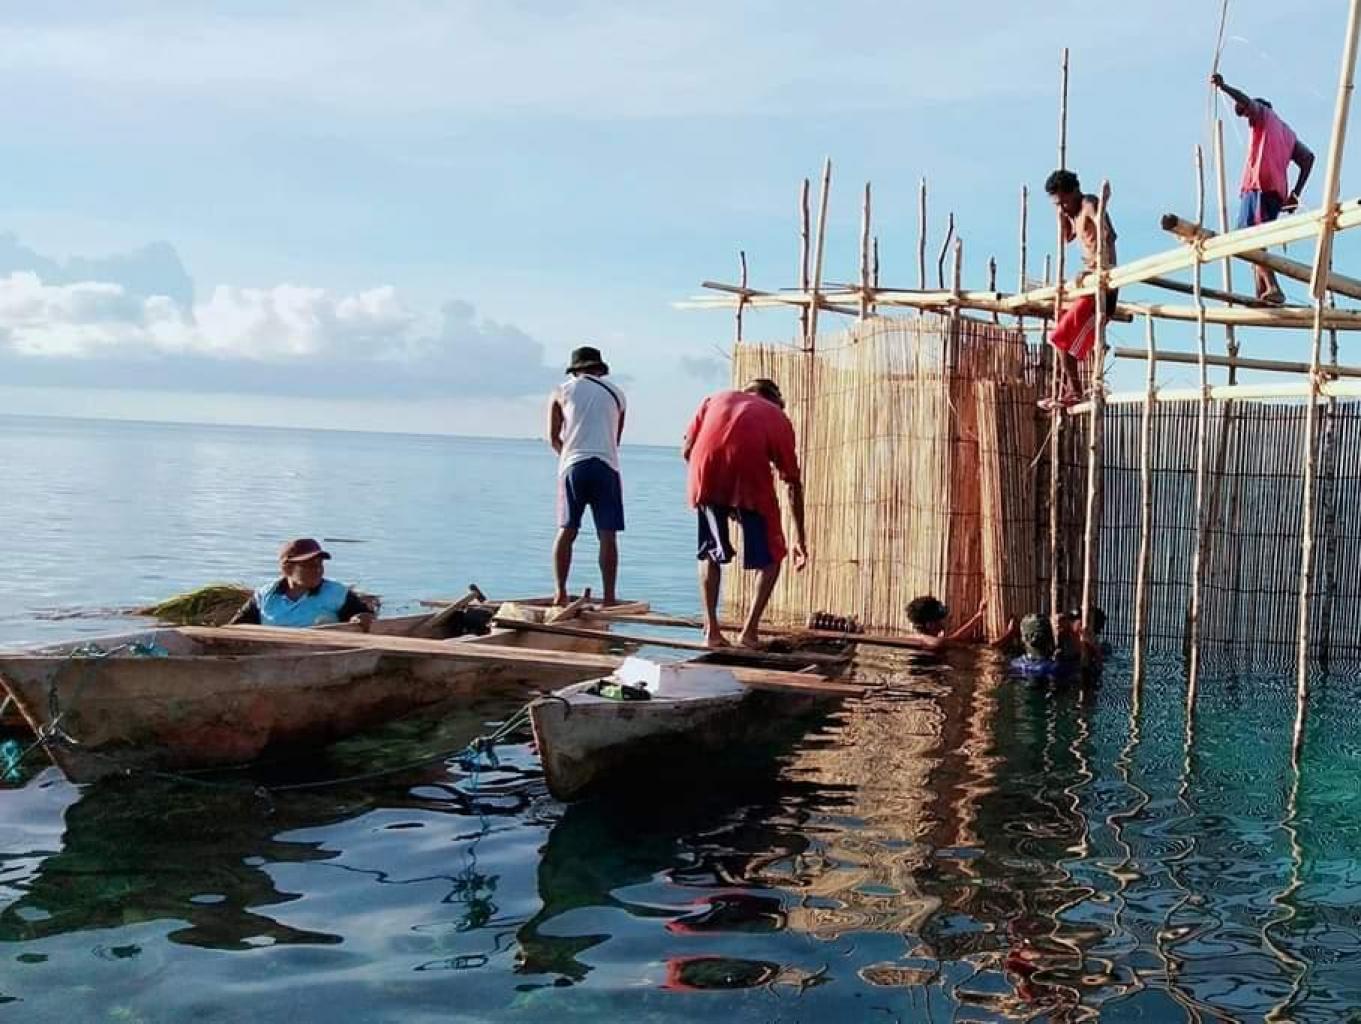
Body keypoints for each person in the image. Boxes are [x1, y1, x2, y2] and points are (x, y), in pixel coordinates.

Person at [683, 378, 807, 648]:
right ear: (776, 401)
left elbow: (687, 449)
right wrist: (801, 539)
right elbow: (792, 482)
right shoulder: (777, 417)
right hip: (749, 479)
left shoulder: (715, 399)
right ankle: (749, 633)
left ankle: (711, 633)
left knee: (709, 552)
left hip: (704, 474)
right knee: (773, 556)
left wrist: (715, 491)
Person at [1211, 73, 1315, 304]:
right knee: (1255, 239)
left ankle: (1272, 287)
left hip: (1259, 186)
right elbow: (1308, 158)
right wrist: (1295, 193)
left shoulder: (1264, 115)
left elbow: (1245, 101)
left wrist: (1224, 86)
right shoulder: (1287, 133)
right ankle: (1262, 292)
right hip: (1276, 193)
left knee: (1247, 237)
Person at [548, 345, 627, 607]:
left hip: (574, 465)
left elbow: (553, 437)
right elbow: (616, 439)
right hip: (607, 465)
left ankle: (560, 592)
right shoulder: (618, 394)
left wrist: (568, 455)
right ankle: (609, 598)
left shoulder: (561, 391)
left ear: (575, 370)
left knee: (567, 530)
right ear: (599, 369)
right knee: (607, 535)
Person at [1043, 169, 1118, 407]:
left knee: (1059, 337)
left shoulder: (1089, 205)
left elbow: (1108, 236)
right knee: (1060, 326)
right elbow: (1067, 237)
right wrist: (1061, 215)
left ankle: (1075, 391)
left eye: (1064, 201)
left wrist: (1097, 268)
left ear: (1075, 191)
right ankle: (1069, 389)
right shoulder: (1073, 214)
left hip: (1102, 287)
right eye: (1057, 204)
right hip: (1089, 286)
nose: (1062, 207)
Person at [229, 538, 375, 628]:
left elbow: (366, 617)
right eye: (309, 565)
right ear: (287, 568)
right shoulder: (264, 596)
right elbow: (236, 628)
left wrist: (362, 618)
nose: (318, 570)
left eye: (320, 564)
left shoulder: (337, 593)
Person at [905, 594, 986, 652]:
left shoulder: (909, 638)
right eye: (940, 619)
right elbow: (956, 639)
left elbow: (954, 639)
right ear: (930, 625)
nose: (944, 621)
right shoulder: (936, 642)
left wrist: (978, 616)